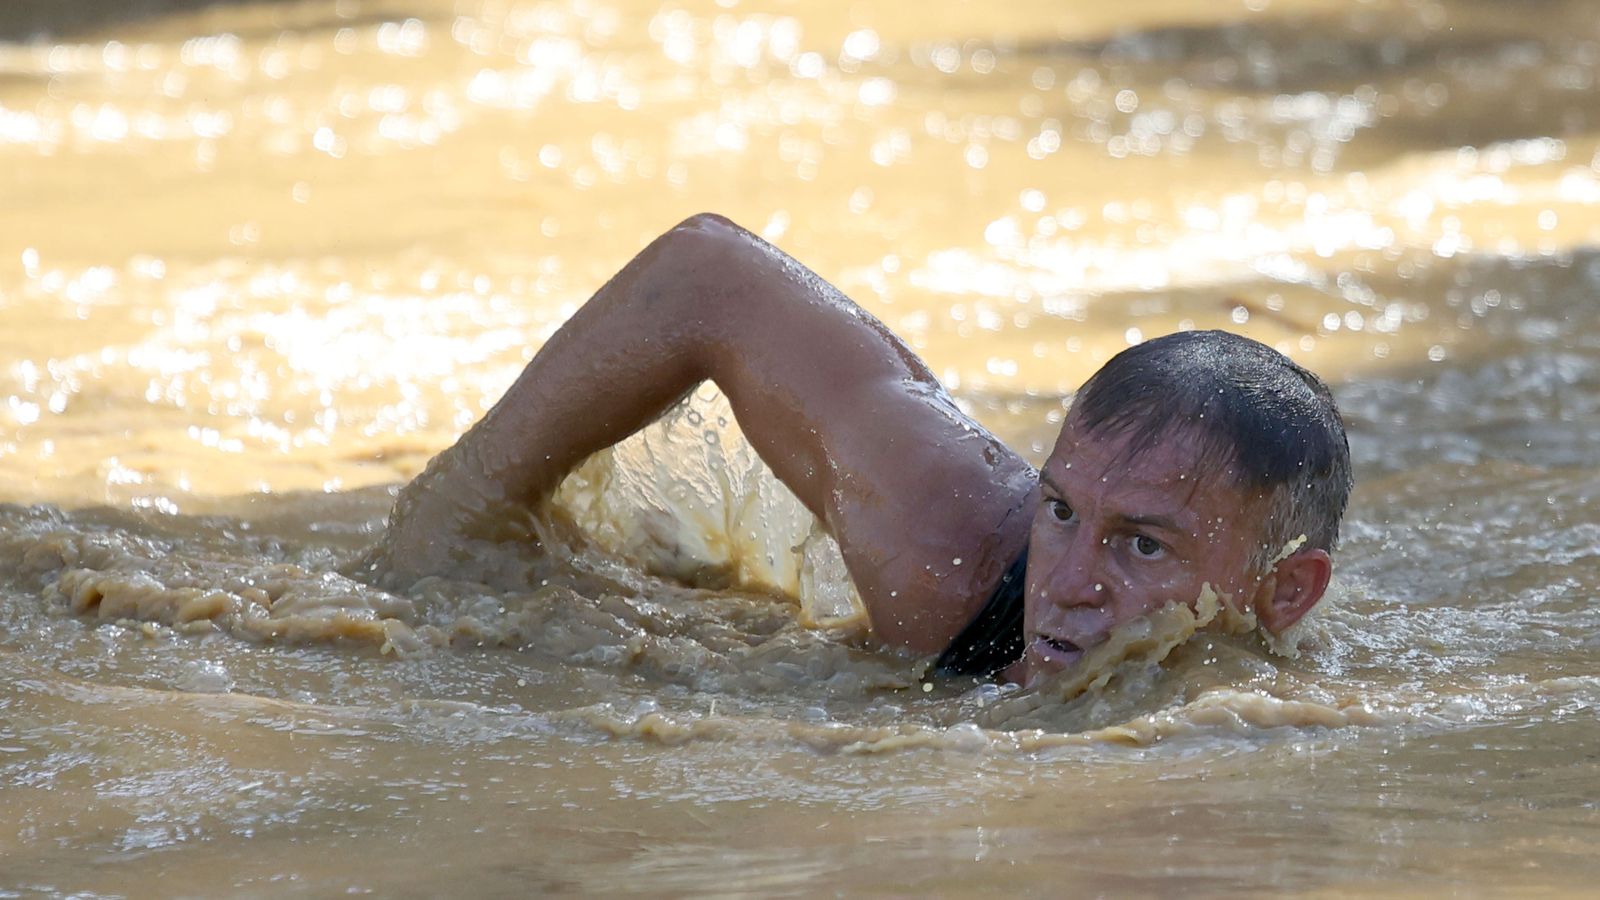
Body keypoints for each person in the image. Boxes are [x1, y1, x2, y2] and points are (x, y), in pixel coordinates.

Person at [363, 213, 1353, 686]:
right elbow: (709, 275)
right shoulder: (948, 557)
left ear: (1284, 594)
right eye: (1061, 511)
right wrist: (458, 520)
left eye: (1141, 545)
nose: (1072, 581)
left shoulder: (1301, 726)